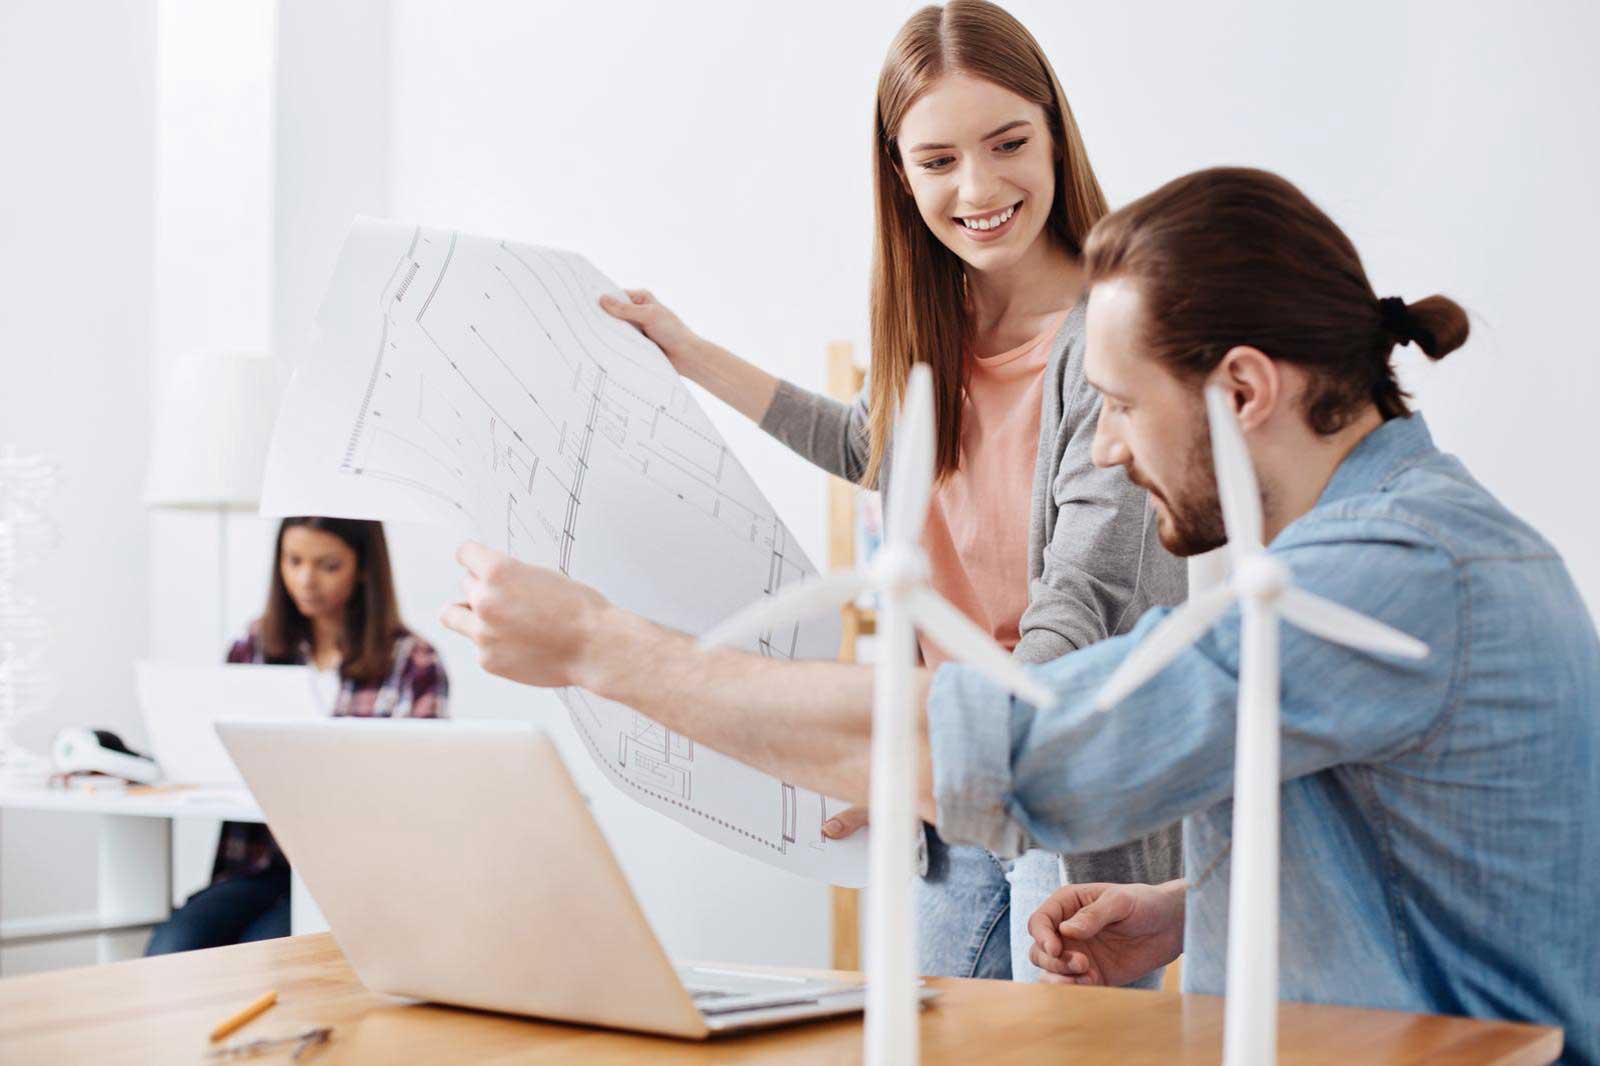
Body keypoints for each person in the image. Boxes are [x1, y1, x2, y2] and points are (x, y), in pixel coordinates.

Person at [442, 166, 1599, 1061]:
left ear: (1243, 390)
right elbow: (1429, 860)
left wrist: (601, 647)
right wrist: (1184, 907)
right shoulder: (1403, 534)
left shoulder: (1385, 571)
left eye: (1117, 405)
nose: (1099, 447)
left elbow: (1031, 744)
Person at [599, 0, 1184, 982]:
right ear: (899, 169)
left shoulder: (1115, 332)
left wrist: (937, 740)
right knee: (923, 1028)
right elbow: (863, 443)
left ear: (1053, 133)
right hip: (945, 773)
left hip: (1065, 768)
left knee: (1056, 1043)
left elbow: (1079, 592)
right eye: (939, 160)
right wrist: (690, 355)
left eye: (1008, 144)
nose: (980, 186)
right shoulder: (931, 318)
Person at [144, 517, 448, 955]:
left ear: (363, 567)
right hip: (257, 866)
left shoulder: (413, 662)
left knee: (261, 957)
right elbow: (216, 757)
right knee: (171, 947)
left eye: (328, 565)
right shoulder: (253, 647)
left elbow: (417, 787)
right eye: (294, 561)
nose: (306, 580)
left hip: (349, 878)